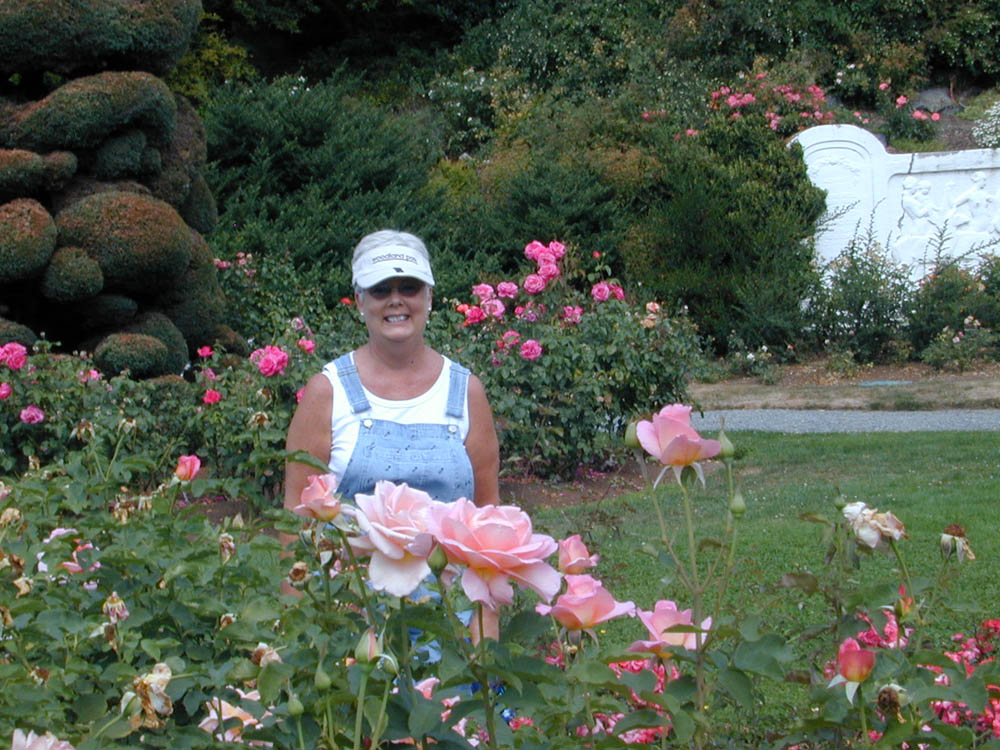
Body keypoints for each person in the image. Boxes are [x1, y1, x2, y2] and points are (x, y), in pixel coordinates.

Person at [283, 230, 500, 522]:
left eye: (409, 288)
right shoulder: (328, 392)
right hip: (352, 568)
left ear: (429, 297)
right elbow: (296, 519)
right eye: (381, 289)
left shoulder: (465, 393)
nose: (395, 300)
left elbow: (488, 514)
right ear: (360, 301)